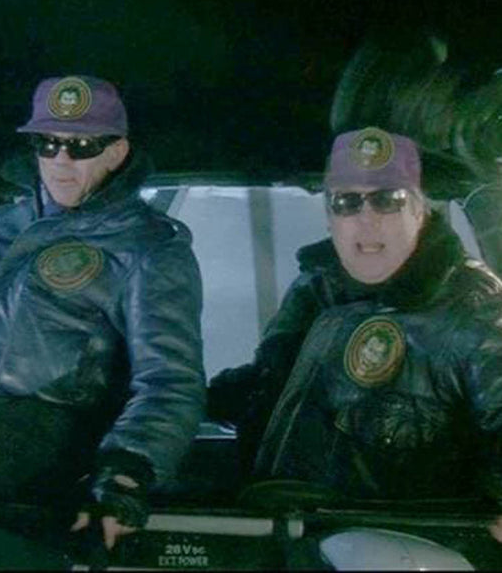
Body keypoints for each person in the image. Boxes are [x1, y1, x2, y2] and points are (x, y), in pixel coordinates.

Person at [208, 126, 502, 543]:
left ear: (421, 210)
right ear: (330, 217)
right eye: (346, 202)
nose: (366, 219)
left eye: (388, 200)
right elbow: (272, 388)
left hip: (402, 548)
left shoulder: (475, 308)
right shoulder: (316, 290)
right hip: (282, 530)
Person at [0, 75, 205, 552]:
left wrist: (127, 473)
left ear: (116, 152)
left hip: (43, 421)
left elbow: (170, 380)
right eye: (48, 143)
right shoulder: (11, 225)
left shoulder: (150, 248)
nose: (60, 160)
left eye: (81, 146)